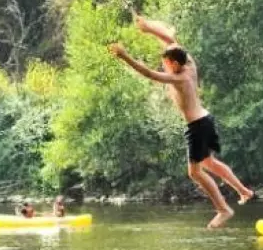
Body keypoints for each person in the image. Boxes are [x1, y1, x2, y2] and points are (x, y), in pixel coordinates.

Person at [108, 14, 255, 229]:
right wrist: (148, 28)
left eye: (166, 64)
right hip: (205, 120)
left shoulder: (179, 78)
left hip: (198, 126)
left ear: (175, 64)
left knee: (194, 172)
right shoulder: (188, 63)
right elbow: (170, 40)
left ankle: (223, 209)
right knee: (209, 163)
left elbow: (148, 73)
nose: (164, 66)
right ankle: (244, 191)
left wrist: (124, 56)